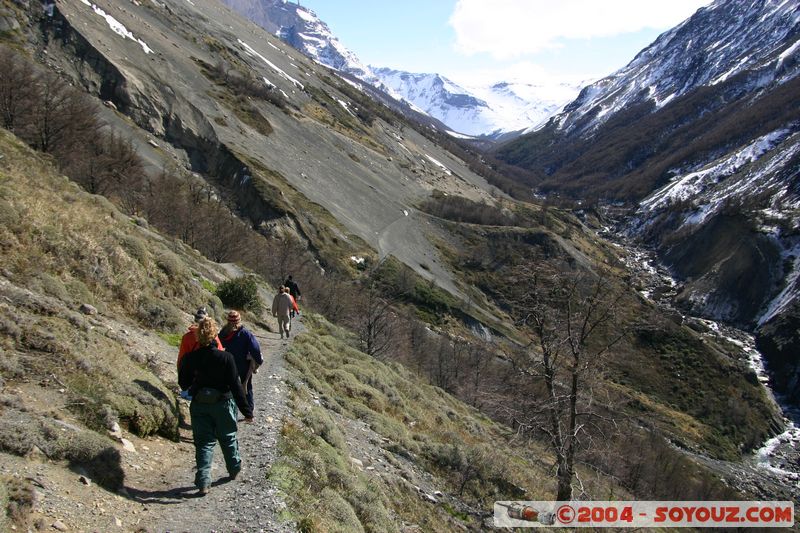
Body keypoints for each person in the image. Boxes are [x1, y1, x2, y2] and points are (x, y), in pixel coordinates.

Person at [178, 317, 253, 496]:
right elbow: (236, 386)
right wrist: (247, 411)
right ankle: (234, 469)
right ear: (214, 335)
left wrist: (197, 386)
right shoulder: (226, 357)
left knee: (204, 443)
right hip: (223, 404)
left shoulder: (190, 358)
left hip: (200, 405)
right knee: (227, 437)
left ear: (198, 336)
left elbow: (183, 383)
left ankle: (203, 480)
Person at [219, 310, 263, 414]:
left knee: (231, 386)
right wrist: (258, 361)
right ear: (239, 320)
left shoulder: (224, 332)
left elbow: (219, 345)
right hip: (243, 363)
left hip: (228, 363)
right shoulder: (245, 333)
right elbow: (255, 348)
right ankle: (249, 410)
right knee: (246, 385)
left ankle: (230, 410)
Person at [177, 307, 223, 372]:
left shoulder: (187, 337)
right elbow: (220, 354)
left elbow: (181, 359)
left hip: (192, 373)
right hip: (209, 373)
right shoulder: (213, 337)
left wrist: (181, 375)